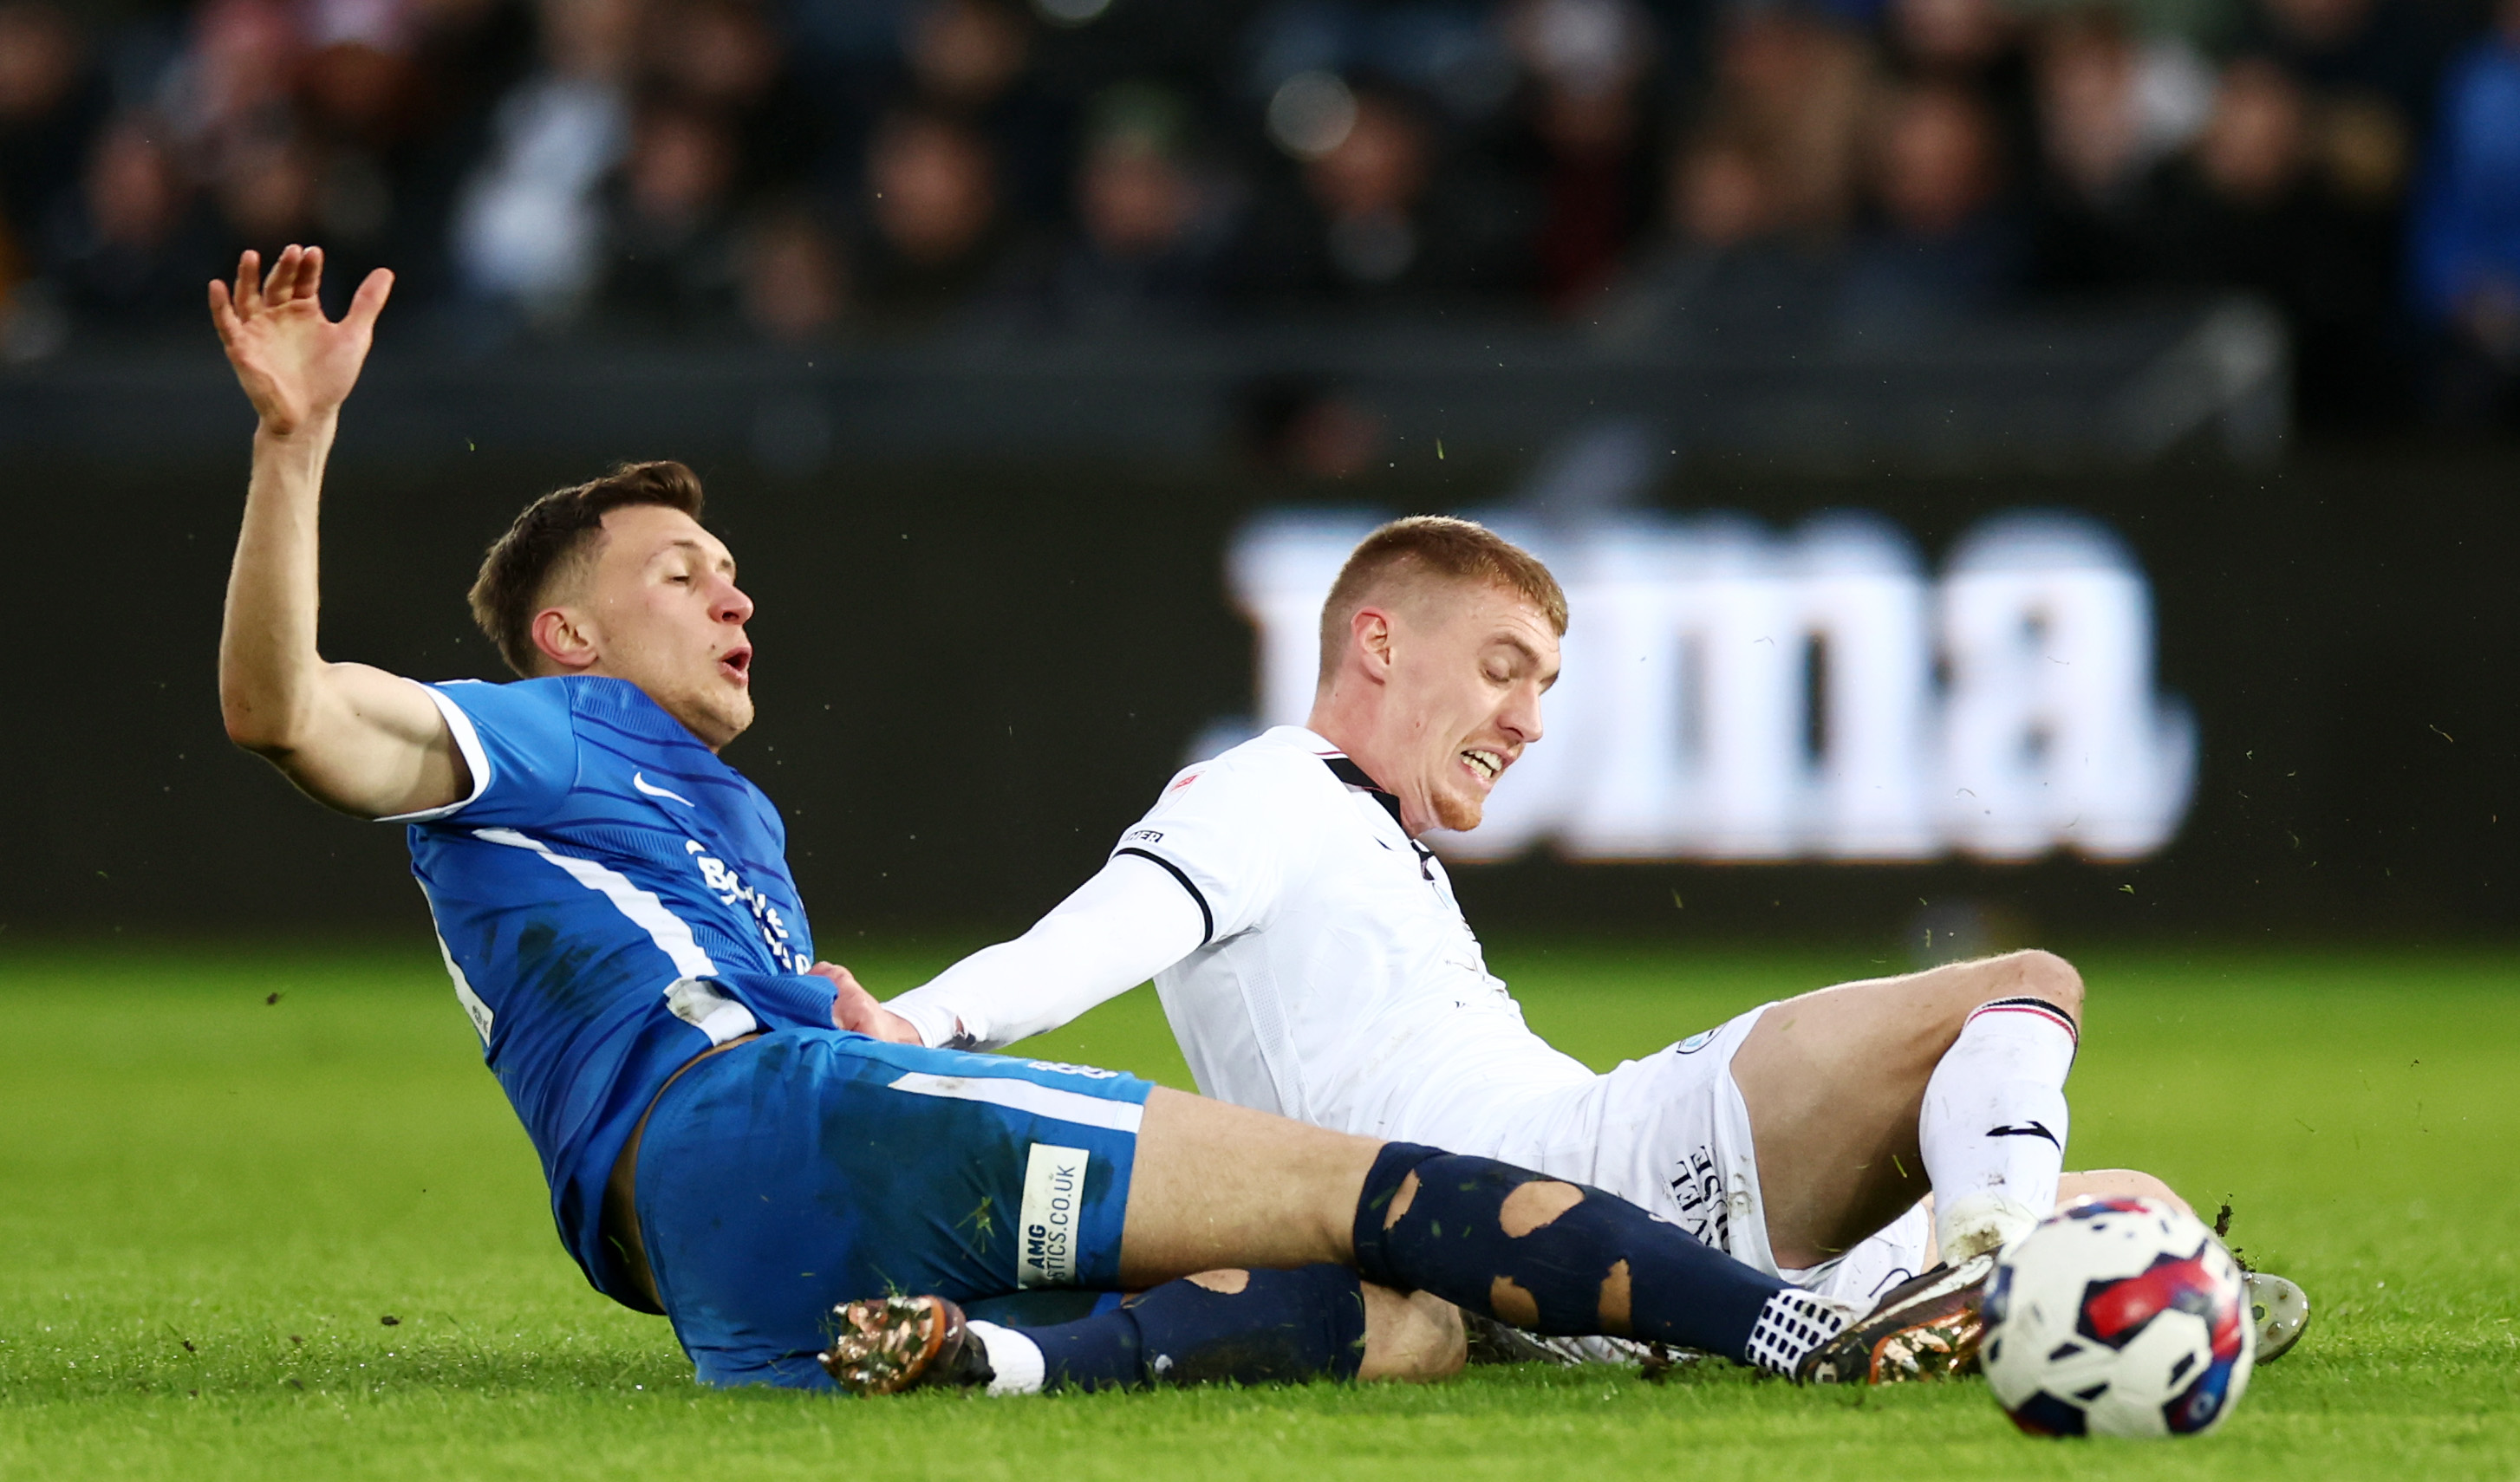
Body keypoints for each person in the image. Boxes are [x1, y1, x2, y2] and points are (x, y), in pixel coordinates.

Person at [206, 244, 1990, 1399]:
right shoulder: (543, 735)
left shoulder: (700, 817)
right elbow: (284, 711)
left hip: (726, 1269)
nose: (733, 595)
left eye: (734, 567)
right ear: (568, 633)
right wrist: (294, 450)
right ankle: (1796, 1323)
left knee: (1405, 1321)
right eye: (682, 573)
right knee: (1396, 1200)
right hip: (779, 1126)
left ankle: (985, 1362)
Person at [831, 516, 2310, 1364]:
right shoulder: (1269, 788)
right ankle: (1998, 1276)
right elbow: (1107, 928)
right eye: (1502, 669)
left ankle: (1989, 1285)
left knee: (2147, 1208)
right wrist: (916, 1023)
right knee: (2026, 985)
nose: (1531, 721)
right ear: (1379, 644)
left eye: (1544, 683)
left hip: (1565, 1278)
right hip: (1599, 1170)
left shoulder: (1361, 829)